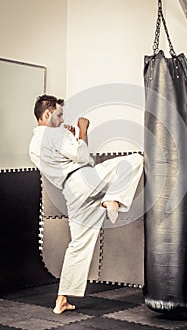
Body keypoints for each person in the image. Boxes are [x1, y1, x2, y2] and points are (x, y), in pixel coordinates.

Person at [29, 94, 143, 314]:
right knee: (134, 160)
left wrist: (75, 139)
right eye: (59, 115)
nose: (62, 120)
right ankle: (112, 198)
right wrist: (82, 129)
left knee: (78, 245)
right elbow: (83, 158)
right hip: (84, 179)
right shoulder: (54, 133)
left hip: (71, 193)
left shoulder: (33, 145)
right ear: (47, 113)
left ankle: (61, 299)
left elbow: (78, 156)